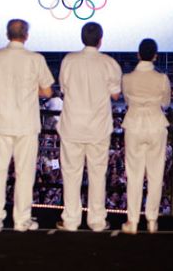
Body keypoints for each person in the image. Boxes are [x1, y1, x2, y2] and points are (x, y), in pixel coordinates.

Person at [0, 19, 54, 232]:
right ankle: (21, 219)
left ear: (8, 34)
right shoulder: (36, 59)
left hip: (1, 121)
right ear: (26, 36)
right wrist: (29, 90)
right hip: (26, 123)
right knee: (24, 174)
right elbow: (47, 91)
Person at [56, 22, 122, 232]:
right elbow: (116, 94)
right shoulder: (109, 63)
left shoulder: (69, 60)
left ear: (82, 37)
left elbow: (64, 88)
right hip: (98, 128)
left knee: (71, 174)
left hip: (73, 125)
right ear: (100, 40)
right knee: (98, 174)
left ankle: (71, 220)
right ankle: (97, 221)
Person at [120, 38, 171, 234]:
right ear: (155, 56)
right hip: (156, 124)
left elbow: (126, 100)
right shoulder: (162, 78)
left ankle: (132, 221)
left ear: (138, 55)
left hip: (134, 125)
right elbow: (166, 103)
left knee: (134, 175)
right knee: (155, 175)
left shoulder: (127, 78)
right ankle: (152, 220)